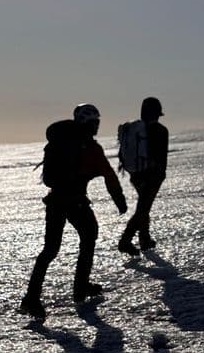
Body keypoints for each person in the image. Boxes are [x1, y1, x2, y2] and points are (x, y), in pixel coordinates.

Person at [20, 103, 128, 320]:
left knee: (50, 249)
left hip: (56, 201)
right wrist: (119, 200)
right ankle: (79, 288)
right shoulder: (90, 148)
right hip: (75, 201)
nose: (97, 126)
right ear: (87, 123)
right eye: (95, 122)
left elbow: (50, 178)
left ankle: (32, 298)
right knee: (88, 237)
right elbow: (109, 174)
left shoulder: (59, 144)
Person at [118, 96, 168, 255]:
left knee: (143, 206)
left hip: (136, 174)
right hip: (152, 176)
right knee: (143, 208)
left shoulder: (135, 130)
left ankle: (144, 238)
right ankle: (125, 240)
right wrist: (160, 175)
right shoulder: (160, 130)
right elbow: (161, 157)